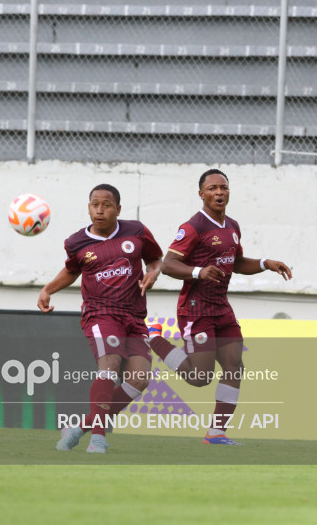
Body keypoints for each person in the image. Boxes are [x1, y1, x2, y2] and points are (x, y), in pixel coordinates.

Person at [148, 169, 292, 445]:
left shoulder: (232, 226)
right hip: (196, 308)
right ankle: (154, 338)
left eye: (223, 187)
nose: (219, 192)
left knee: (234, 366)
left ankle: (216, 432)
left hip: (221, 308)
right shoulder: (193, 227)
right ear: (201, 194)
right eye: (212, 188)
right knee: (200, 377)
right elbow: (168, 264)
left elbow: (236, 263)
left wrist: (265, 263)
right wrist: (198, 271)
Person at [37, 184, 163, 454]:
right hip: (100, 313)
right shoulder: (76, 242)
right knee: (109, 366)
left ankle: (79, 429)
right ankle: (97, 439)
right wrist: (48, 289)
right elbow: (72, 270)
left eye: (106, 205)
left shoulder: (137, 231)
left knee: (140, 379)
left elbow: (155, 260)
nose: (100, 210)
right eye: (95, 204)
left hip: (134, 316)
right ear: (89, 208)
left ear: (118, 209)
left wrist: (153, 273)